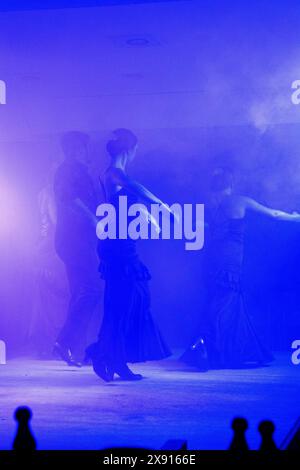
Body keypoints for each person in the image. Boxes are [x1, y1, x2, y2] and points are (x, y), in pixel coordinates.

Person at [185, 167, 300, 370]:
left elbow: (206, 228)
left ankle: (221, 350)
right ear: (231, 183)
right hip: (229, 259)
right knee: (224, 303)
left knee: (225, 301)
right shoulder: (239, 200)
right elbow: (273, 214)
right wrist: (295, 217)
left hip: (212, 259)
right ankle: (205, 343)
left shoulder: (213, 205)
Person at [86, 128, 171, 381]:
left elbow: (130, 203)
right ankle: (106, 355)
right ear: (128, 149)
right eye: (135, 149)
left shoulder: (117, 177)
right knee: (125, 301)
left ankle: (109, 355)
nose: (136, 153)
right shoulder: (113, 174)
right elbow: (135, 189)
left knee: (127, 301)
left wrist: (151, 219)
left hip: (122, 243)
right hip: (117, 246)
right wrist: (163, 206)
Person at [53, 131, 101, 367]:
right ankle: (65, 341)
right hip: (75, 240)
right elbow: (69, 199)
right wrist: (94, 220)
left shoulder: (77, 171)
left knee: (80, 292)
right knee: (91, 289)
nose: (81, 152)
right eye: (78, 148)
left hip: (75, 240)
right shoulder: (68, 170)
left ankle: (71, 347)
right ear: (72, 150)